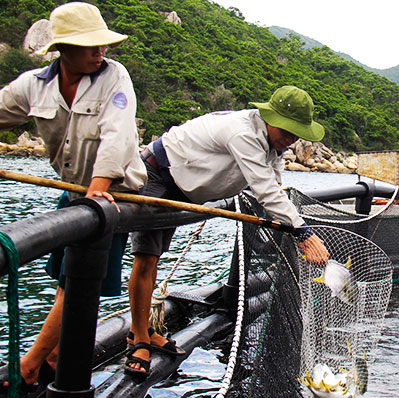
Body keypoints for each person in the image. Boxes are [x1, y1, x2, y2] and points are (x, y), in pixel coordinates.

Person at [124, 85, 330, 376]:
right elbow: (265, 190)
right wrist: (303, 233)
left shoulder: (274, 146)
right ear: (269, 117)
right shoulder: (242, 131)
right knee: (147, 258)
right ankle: (139, 339)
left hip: (183, 187)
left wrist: (290, 226)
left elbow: (274, 185)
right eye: (286, 130)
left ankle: (142, 330)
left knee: (154, 257)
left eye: (296, 133)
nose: (290, 138)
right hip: (160, 173)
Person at [0, 2, 146, 387]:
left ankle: (29, 366)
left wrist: (99, 188)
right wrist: (85, 194)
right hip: (75, 192)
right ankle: (51, 359)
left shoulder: (115, 76)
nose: (101, 53)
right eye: (90, 46)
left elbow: (118, 132)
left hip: (112, 194)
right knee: (64, 279)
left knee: (74, 282)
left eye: (103, 46)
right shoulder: (34, 84)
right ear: (63, 49)